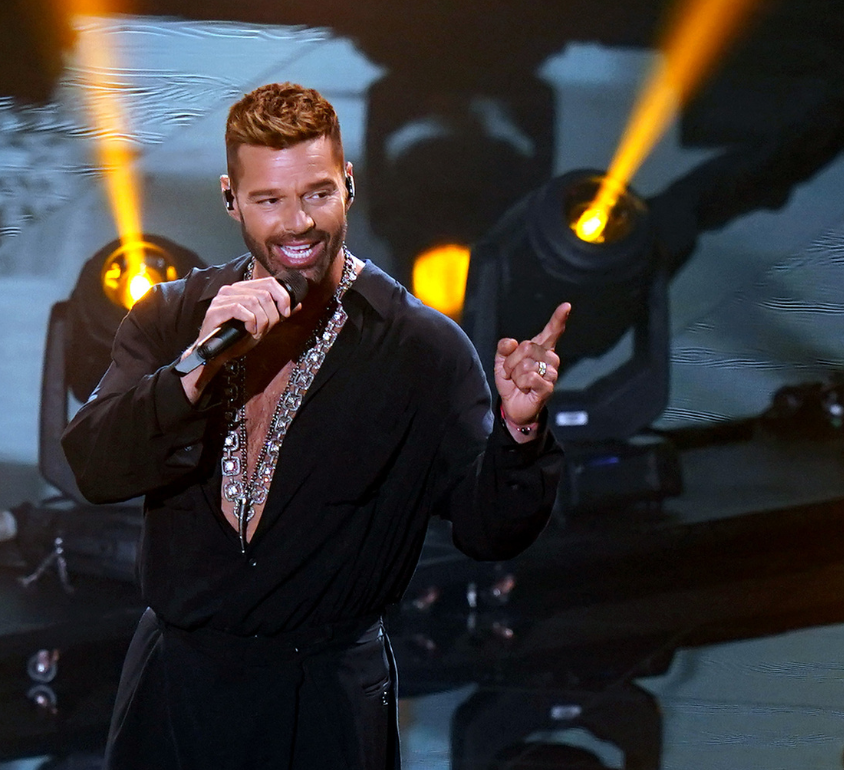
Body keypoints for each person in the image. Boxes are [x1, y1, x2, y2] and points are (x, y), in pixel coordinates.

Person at [61, 82, 568, 770]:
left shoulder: (421, 349)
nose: (298, 223)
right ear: (230, 199)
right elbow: (94, 466)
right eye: (270, 200)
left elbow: (490, 528)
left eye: (317, 194)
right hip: (173, 685)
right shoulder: (175, 318)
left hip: (322, 697)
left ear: (349, 186)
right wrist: (194, 370)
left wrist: (520, 431)